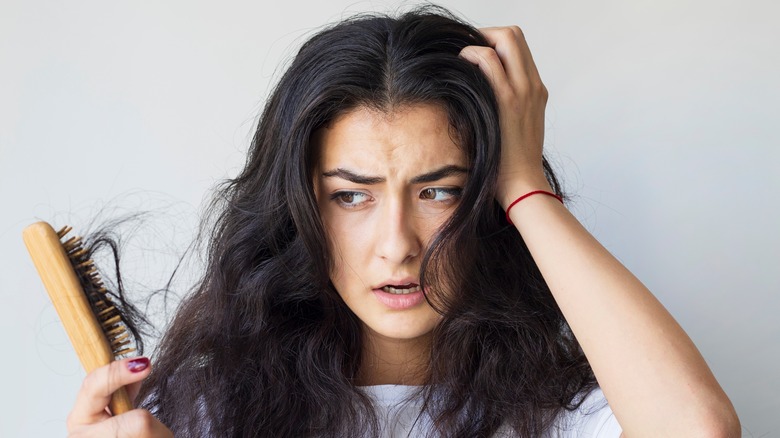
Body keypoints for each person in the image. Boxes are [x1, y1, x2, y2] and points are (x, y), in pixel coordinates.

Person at [64, 6, 740, 437]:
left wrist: (524, 182)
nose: (398, 246)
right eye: (351, 196)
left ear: (487, 204)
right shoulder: (203, 415)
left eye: (439, 192)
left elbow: (697, 429)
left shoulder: (558, 417)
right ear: (299, 208)